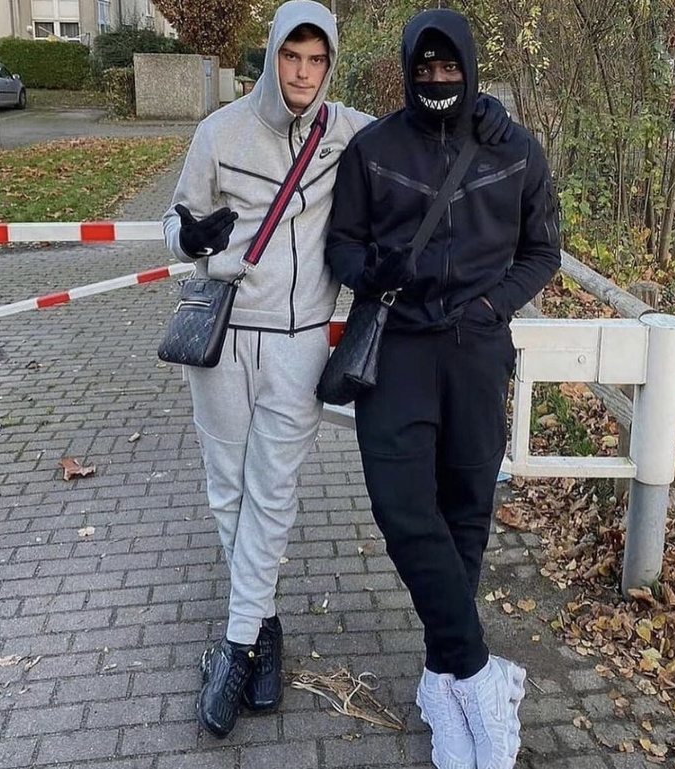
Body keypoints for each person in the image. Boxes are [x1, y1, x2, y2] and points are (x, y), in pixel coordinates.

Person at [163, 0, 514, 741]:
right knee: (229, 489)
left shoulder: (348, 131)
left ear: (329, 64)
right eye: (291, 57)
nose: (302, 72)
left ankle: (235, 648)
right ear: (271, 57)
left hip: (300, 344)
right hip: (223, 335)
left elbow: (421, 125)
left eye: (316, 60)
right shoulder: (217, 133)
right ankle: (262, 624)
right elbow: (177, 220)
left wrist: (482, 117)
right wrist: (190, 239)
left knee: (273, 494)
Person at [325, 8, 561, 769]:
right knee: (402, 509)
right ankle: (482, 673)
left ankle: (442, 679)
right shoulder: (373, 149)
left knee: (466, 511)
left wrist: (493, 305)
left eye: (448, 67)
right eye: (423, 68)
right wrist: (372, 272)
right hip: (395, 351)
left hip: (476, 352)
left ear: (470, 66)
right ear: (406, 70)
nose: (436, 79)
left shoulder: (514, 148)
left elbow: (543, 250)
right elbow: (341, 243)